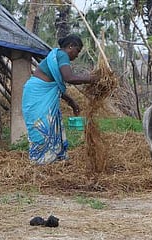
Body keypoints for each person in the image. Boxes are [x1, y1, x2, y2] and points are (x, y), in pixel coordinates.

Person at [22, 34, 96, 165]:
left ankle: (51, 159)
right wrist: (93, 78)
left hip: (36, 92)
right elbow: (70, 78)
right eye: (77, 50)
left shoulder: (57, 55)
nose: (77, 55)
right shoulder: (62, 55)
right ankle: (41, 160)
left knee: (49, 124)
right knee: (41, 126)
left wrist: (71, 101)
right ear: (70, 46)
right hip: (37, 95)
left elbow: (56, 84)